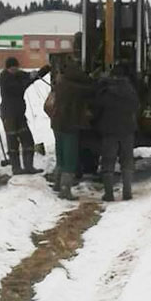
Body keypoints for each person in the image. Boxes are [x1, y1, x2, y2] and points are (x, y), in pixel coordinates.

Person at [51, 59, 95, 200]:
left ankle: (57, 184)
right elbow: (91, 89)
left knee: (61, 155)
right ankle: (65, 190)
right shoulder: (75, 88)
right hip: (70, 125)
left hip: (57, 124)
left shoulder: (61, 84)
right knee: (70, 158)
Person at [94, 66, 140, 201]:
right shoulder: (130, 89)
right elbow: (136, 105)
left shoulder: (106, 91)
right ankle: (127, 192)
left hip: (109, 131)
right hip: (127, 130)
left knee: (108, 160)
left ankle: (109, 194)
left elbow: (98, 106)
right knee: (127, 160)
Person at [0, 57, 50, 175]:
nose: (14, 70)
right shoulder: (4, 80)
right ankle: (16, 168)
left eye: (16, 67)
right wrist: (29, 79)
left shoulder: (19, 75)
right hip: (8, 115)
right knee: (13, 142)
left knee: (28, 141)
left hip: (20, 115)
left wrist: (45, 69)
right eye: (12, 68)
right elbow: (19, 87)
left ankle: (29, 167)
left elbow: (32, 77)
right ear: (7, 68)